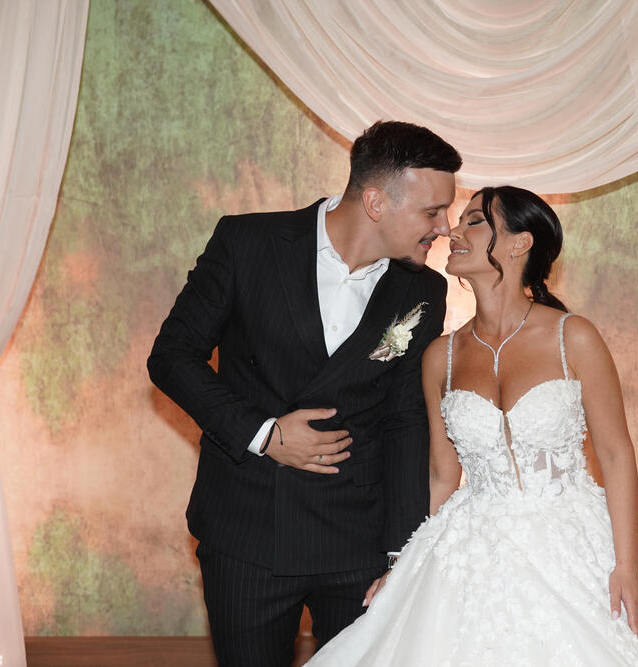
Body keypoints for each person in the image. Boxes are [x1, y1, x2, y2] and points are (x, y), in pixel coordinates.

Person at [308, 186, 638, 665]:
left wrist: (627, 566)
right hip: (472, 546)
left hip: (573, 539)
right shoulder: (441, 356)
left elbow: (616, 454)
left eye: (474, 221)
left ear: (520, 243)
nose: (453, 232)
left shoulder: (573, 336)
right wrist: (405, 564)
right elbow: (441, 476)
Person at [147, 121, 461, 666]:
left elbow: (404, 420)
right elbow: (172, 356)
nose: (445, 227)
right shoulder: (247, 243)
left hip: (360, 539)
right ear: (376, 202)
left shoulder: (424, 289)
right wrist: (264, 434)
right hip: (247, 530)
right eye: (432, 212)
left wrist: (401, 553)